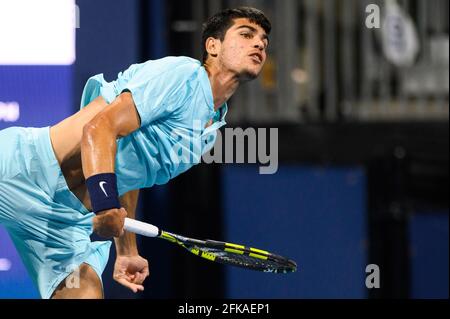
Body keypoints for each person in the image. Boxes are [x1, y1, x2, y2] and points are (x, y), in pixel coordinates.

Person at [0, 7, 271, 299]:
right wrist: (105, 207)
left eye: (264, 41)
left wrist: (127, 249)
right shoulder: (182, 75)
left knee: (84, 294)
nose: (259, 44)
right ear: (212, 46)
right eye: (246, 34)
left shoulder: (206, 135)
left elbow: (130, 174)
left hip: (65, 224)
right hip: (21, 169)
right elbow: (99, 128)